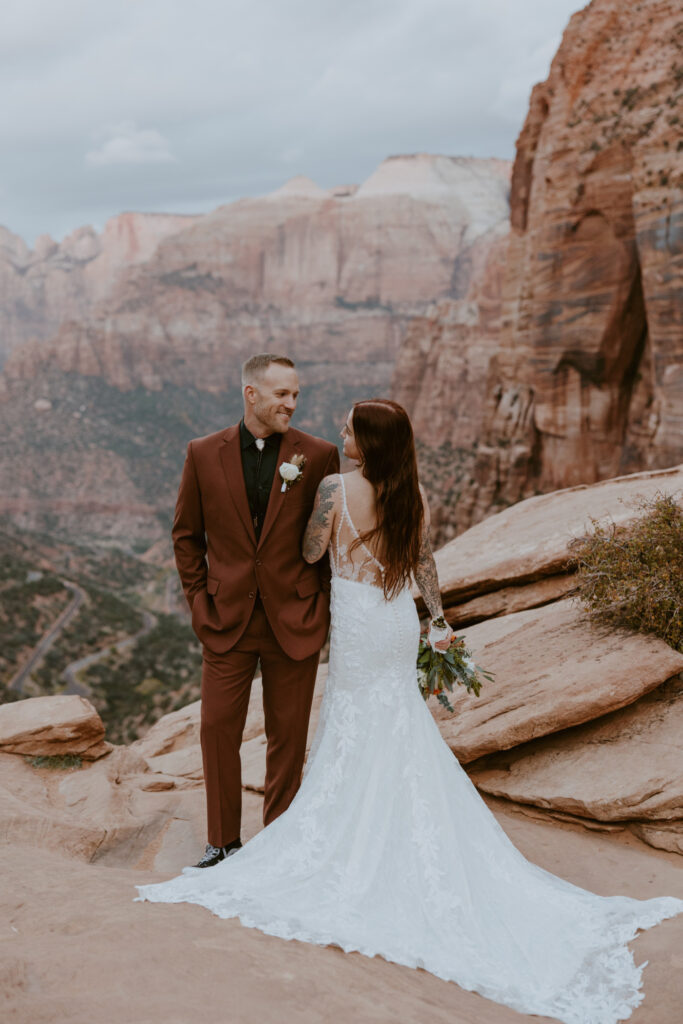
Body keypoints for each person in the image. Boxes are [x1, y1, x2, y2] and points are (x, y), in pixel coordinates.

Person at [138, 398, 682, 1024]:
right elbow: (423, 564)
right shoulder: (410, 494)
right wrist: (440, 623)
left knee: (354, 721)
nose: (340, 434)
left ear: (366, 442)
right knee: (396, 719)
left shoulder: (335, 488)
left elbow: (313, 554)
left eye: (349, 428)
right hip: (394, 619)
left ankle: (357, 830)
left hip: (355, 619)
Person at [171, 353, 339, 868]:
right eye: (282, 394)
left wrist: (323, 605)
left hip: (296, 618)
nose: (292, 403)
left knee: (288, 736)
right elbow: (185, 536)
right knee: (218, 728)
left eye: (295, 395)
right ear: (251, 394)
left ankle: (278, 843)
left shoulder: (319, 454)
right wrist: (201, 603)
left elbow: (331, 540)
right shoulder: (202, 453)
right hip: (226, 622)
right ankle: (222, 843)